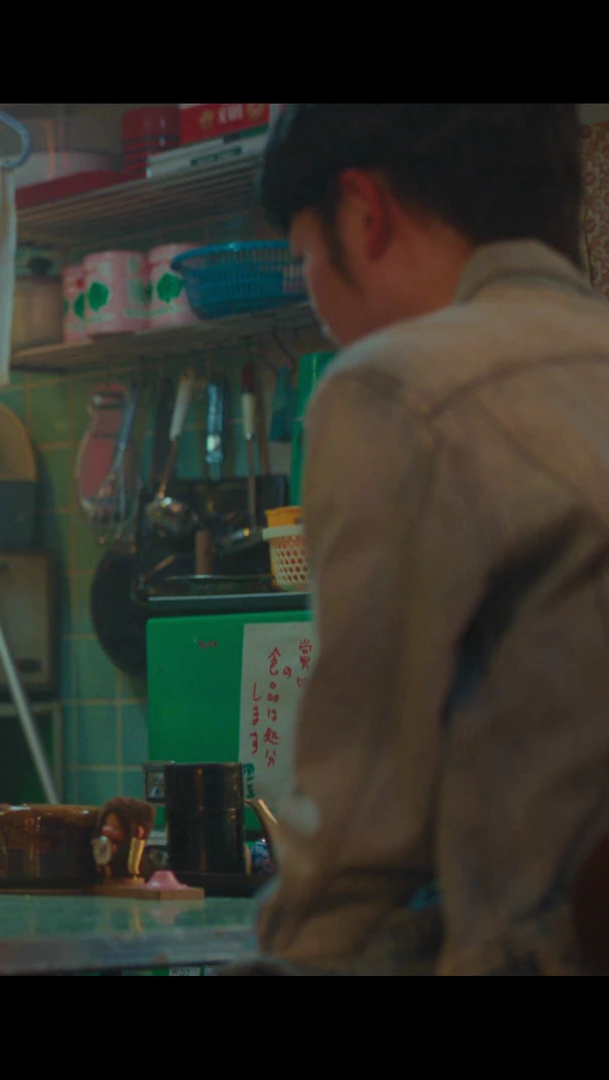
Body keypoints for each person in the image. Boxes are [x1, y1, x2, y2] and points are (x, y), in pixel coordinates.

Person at [249, 104, 609, 974]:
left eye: (305, 256)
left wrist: (292, 953)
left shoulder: (398, 389)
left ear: (363, 212)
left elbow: (362, 812)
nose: (317, 303)